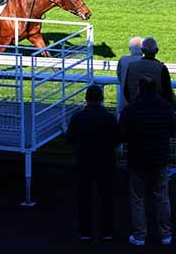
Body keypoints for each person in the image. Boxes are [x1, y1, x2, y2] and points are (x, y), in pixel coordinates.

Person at [120, 76, 176, 246]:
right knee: (161, 197)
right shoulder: (166, 106)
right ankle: (166, 234)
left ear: (139, 89)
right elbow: (173, 131)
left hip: (137, 159)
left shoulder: (131, 109)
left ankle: (139, 236)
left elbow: (122, 133)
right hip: (160, 158)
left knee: (137, 199)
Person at [65, 85, 120, 241]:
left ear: (86, 98)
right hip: (106, 163)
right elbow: (117, 139)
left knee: (84, 198)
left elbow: (70, 140)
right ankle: (107, 232)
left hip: (84, 162)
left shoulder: (78, 117)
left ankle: (85, 232)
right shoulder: (109, 118)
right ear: (102, 99)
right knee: (106, 198)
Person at [123, 36, 176, 111]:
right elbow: (167, 93)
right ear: (156, 51)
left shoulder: (131, 66)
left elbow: (126, 91)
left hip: (135, 109)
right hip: (156, 111)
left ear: (142, 50)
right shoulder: (161, 68)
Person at [116, 36, 142, 111]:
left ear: (130, 49)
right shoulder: (147, 62)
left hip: (125, 104)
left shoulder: (123, 60)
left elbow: (119, 76)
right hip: (141, 107)